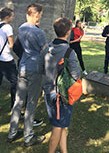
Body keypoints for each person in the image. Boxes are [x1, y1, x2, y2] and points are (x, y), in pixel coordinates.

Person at [7, 3, 47, 147]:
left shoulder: (21, 28)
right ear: (36, 15)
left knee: (18, 101)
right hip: (35, 70)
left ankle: (12, 133)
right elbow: (45, 52)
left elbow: (19, 47)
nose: (40, 18)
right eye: (40, 15)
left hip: (22, 67)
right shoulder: (39, 33)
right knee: (31, 103)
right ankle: (28, 137)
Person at [43, 17, 81, 153]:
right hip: (62, 94)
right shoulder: (69, 52)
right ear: (68, 32)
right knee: (58, 127)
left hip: (48, 89)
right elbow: (77, 74)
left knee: (62, 124)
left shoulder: (47, 47)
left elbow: (42, 67)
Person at [0, 7, 18, 109]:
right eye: (12, 16)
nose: (12, 18)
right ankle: (14, 105)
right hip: (6, 59)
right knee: (15, 82)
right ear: (7, 17)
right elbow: (11, 44)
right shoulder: (8, 27)